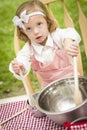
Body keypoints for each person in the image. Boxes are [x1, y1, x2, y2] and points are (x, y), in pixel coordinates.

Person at [9, 0, 81, 117]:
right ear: (22, 30)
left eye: (39, 24)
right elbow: (21, 61)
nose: (36, 31)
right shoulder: (28, 49)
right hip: (51, 91)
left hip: (73, 83)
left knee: (78, 105)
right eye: (29, 28)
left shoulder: (57, 36)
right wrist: (18, 67)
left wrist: (68, 41)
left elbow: (70, 33)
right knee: (41, 113)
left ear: (47, 22)